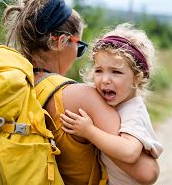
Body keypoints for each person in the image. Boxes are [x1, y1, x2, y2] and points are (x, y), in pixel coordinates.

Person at [2, 0, 159, 184]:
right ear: (61, 42)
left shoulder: (16, 84)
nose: (78, 56)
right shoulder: (82, 97)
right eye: (80, 47)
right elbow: (148, 172)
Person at [60, 23, 163, 184]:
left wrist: (89, 131)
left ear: (137, 77)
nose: (105, 80)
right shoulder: (115, 102)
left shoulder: (133, 111)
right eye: (99, 70)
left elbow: (130, 152)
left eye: (116, 72)